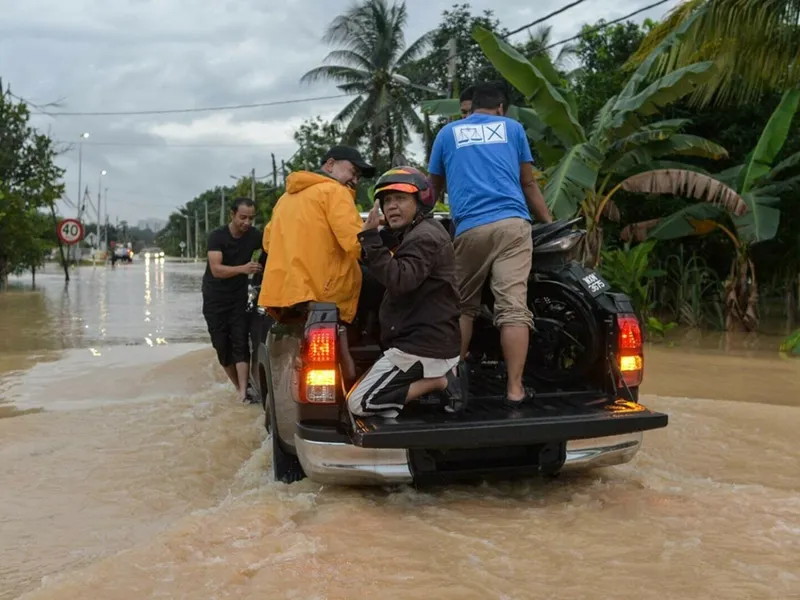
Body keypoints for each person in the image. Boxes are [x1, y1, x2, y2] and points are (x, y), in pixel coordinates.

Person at [428, 81, 553, 407]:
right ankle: (515, 389)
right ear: (501, 108)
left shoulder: (447, 133)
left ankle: (452, 383)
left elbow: (432, 189)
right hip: (513, 226)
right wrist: (550, 222)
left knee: (463, 307)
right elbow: (528, 183)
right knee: (513, 308)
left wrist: (417, 223)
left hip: (470, 228)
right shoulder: (513, 129)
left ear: (471, 106)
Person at [347, 166, 467, 418]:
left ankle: (440, 381)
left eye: (400, 199)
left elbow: (400, 279)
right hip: (420, 340)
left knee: (359, 403)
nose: (391, 207)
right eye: (387, 200)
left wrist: (370, 238)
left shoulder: (424, 237)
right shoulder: (418, 232)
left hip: (420, 346)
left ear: (420, 201)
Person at [257, 146, 376, 380]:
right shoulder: (335, 192)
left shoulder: (284, 200)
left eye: (358, 176)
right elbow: (356, 243)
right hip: (326, 293)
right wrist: (388, 255)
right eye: (353, 171)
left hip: (288, 298)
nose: (354, 179)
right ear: (329, 165)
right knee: (383, 284)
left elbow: (268, 243)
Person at [202, 197, 263, 403]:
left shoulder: (254, 236)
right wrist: (243, 269)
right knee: (222, 346)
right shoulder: (217, 237)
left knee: (240, 342)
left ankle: (243, 393)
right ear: (232, 215)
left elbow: (274, 243)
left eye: (251, 218)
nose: (247, 223)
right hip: (214, 298)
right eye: (242, 217)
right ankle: (239, 386)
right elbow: (216, 269)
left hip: (238, 298)